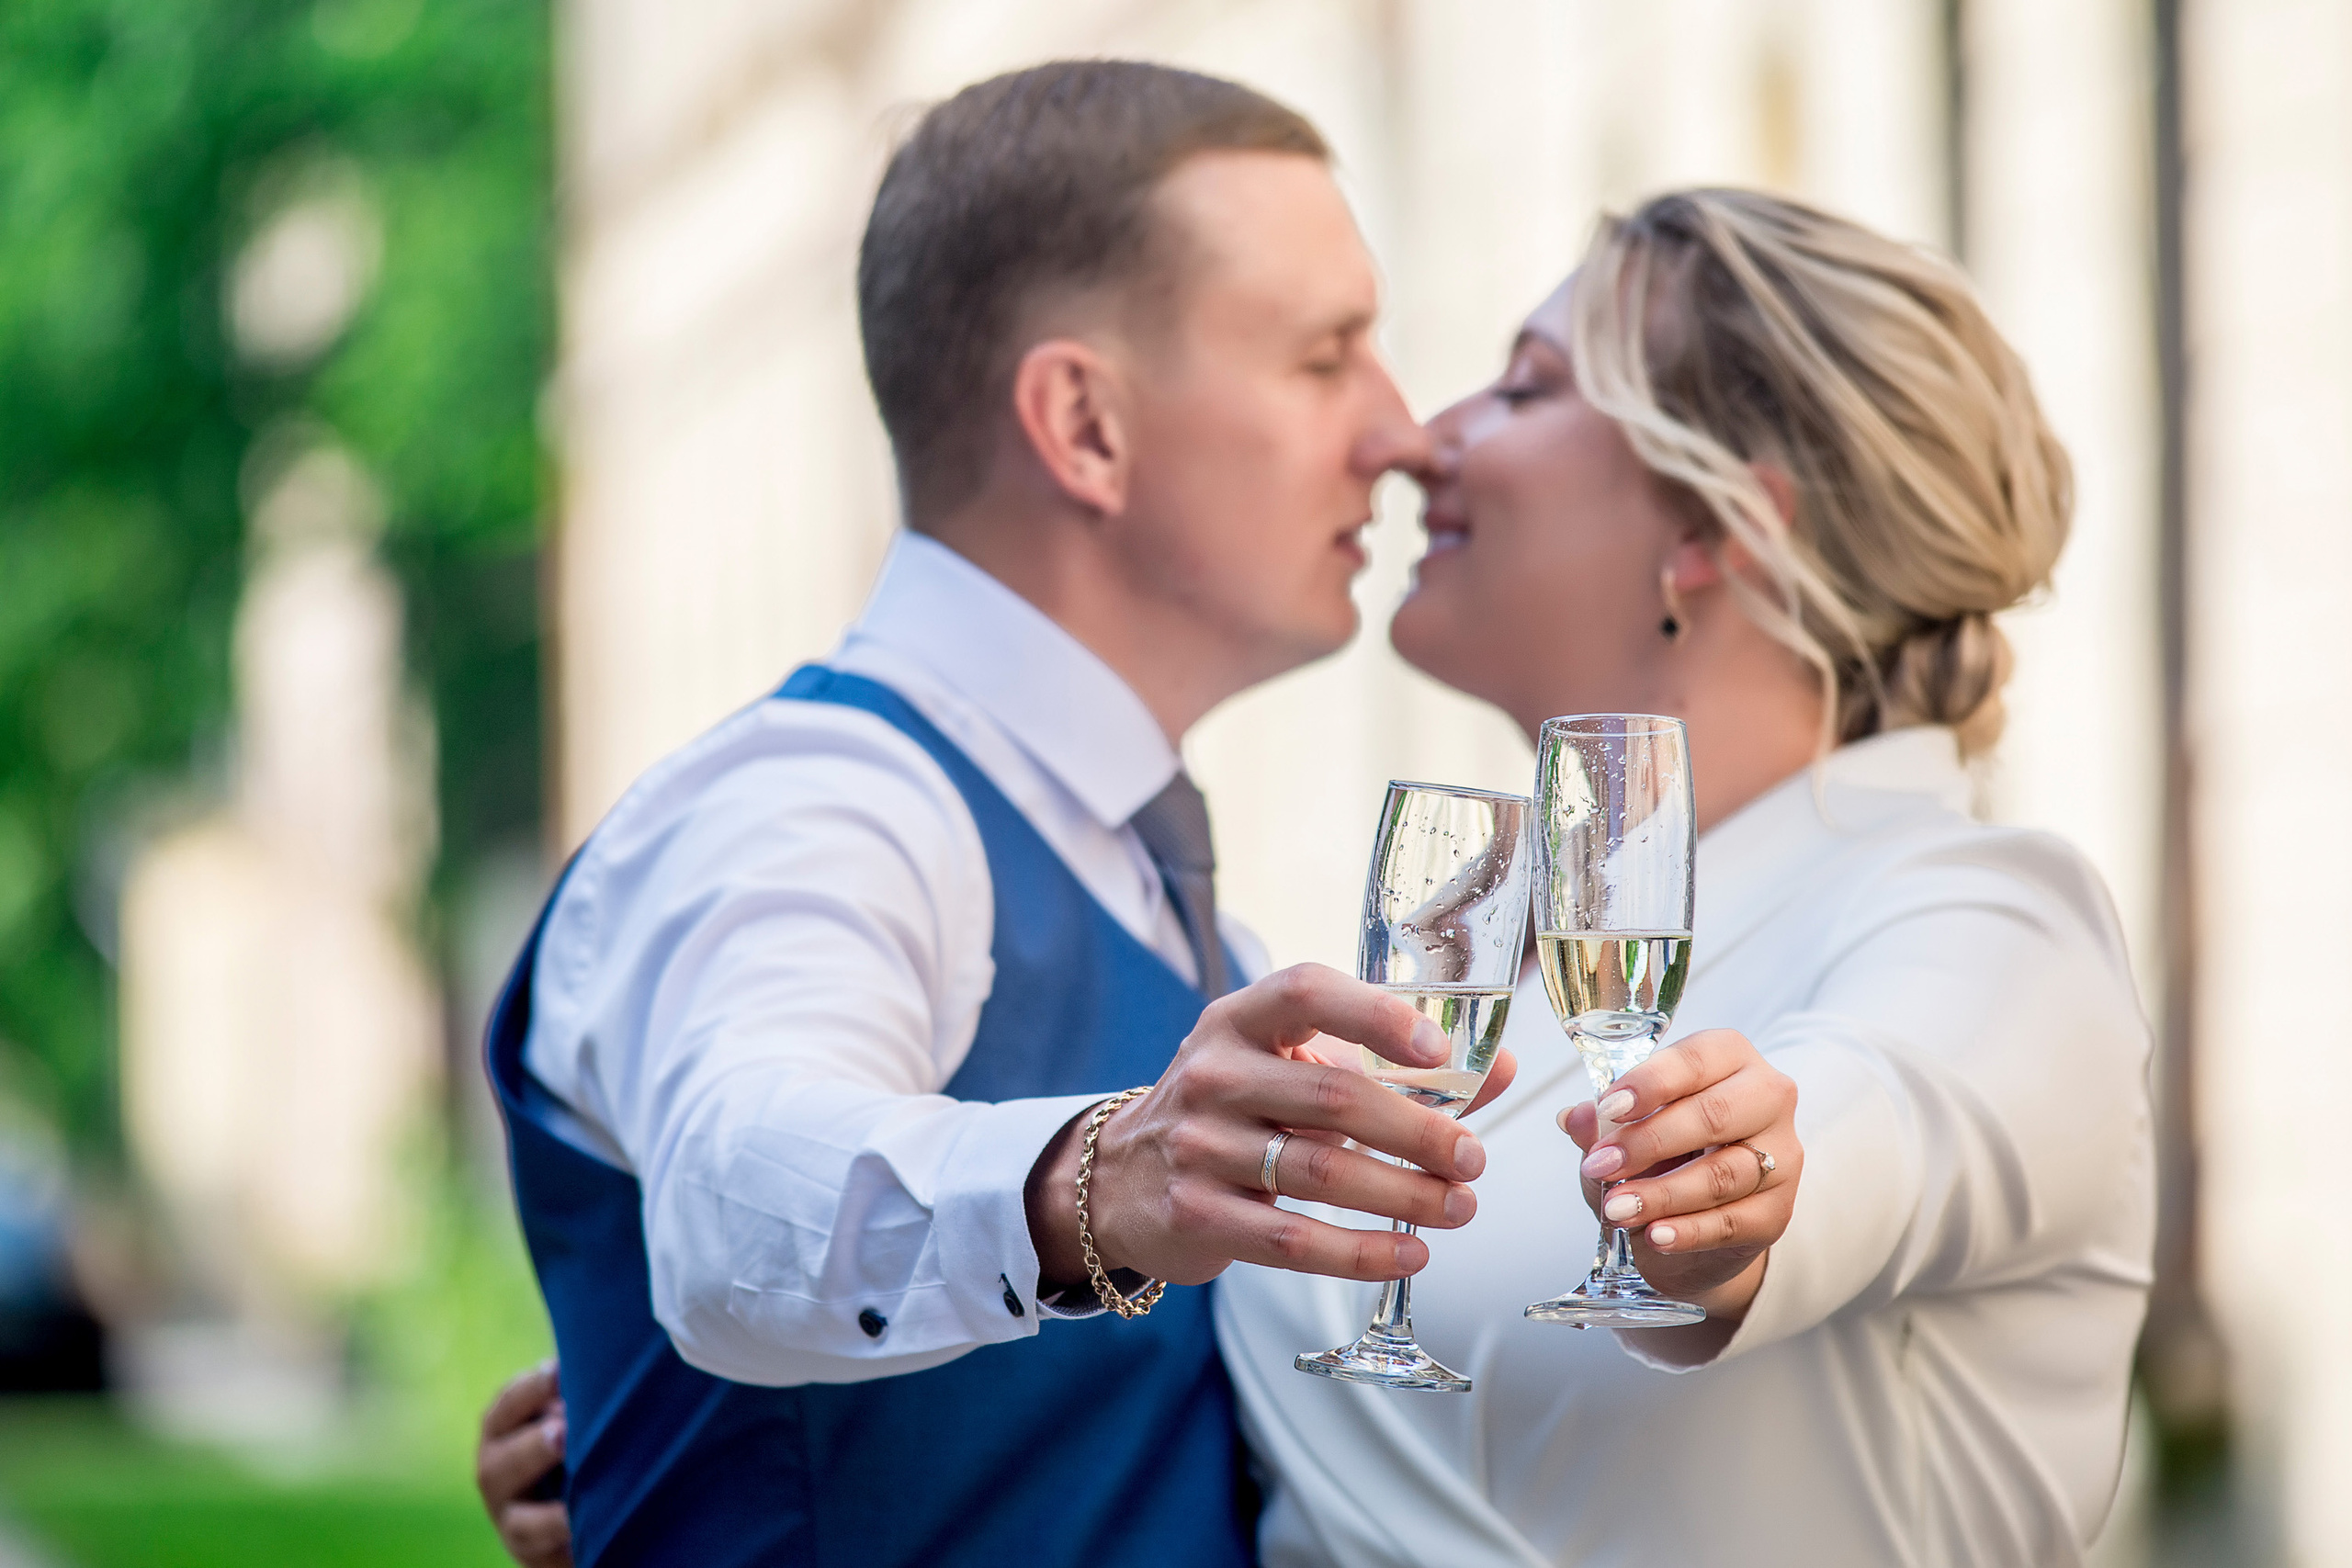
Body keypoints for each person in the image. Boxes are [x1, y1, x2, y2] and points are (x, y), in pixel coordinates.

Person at [482, 62, 1804, 1568]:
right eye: (1325, 359)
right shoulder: (811, 803)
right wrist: (1092, 1182)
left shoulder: (1182, 914)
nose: (1403, 434)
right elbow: (738, 1194)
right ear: (1085, 426)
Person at [1216, 190, 2154, 1566]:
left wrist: (1734, 1206)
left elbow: (1864, 1128)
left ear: (1719, 524)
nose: (1424, 438)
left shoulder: (1996, 921)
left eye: (1527, 387)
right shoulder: (1467, 951)